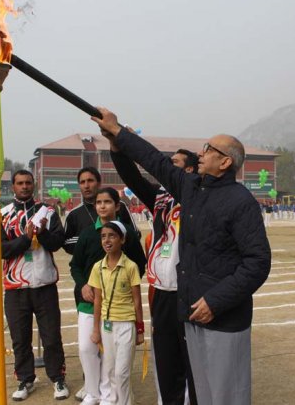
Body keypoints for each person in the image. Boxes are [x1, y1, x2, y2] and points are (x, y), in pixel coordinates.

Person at [92, 108, 271, 405]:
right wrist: (118, 134)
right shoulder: (191, 189)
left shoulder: (241, 202)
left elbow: (258, 262)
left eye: (209, 149)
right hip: (187, 309)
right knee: (198, 390)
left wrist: (216, 300)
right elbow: (154, 162)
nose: (202, 152)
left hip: (222, 316)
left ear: (225, 162)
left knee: (226, 393)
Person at [109, 138, 199, 405]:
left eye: (174, 164)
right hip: (161, 291)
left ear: (189, 171)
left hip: (189, 290)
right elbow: (132, 178)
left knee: (190, 357)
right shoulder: (160, 197)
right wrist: (116, 146)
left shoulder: (199, 196)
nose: (166, 168)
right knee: (165, 355)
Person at [70, 188, 146, 405]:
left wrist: (123, 287)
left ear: (117, 206)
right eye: (98, 202)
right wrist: (83, 285)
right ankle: (93, 392)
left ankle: (111, 396)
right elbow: (75, 265)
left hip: (119, 310)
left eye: (107, 202)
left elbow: (139, 265)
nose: (102, 206)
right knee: (87, 348)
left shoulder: (128, 234)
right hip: (89, 305)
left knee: (112, 359)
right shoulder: (86, 234)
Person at [1, 170, 69, 401]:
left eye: (28, 182)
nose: (24, 187)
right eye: (20, 183)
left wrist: (43, 233)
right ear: (12, 186)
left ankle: (58, 378)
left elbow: (58, 243)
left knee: (51, 337)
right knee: (20, 339)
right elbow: (1, 250)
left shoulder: (48, 212)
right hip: (14, 287)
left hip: (45, 284)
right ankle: (25, 379)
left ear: (34, 184)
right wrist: (25, 238)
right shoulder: (2, 214)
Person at [88, 221, 145, 405]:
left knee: (122, 372)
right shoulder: (97, 267)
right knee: (111, 370)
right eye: (103, 236)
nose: (107, 240)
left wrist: (140, 329)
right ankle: (119, 401)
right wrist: (96, 329)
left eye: (112, 236)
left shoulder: (130, 266)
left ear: (122, 239)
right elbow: (98, 300)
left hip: (126, 324)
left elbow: (137, 301)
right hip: (107, 325)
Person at [63, 166, 138, 256]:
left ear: (99, 183)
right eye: (82, 182)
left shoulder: (119, 205)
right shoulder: (74, 214)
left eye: (90, 181)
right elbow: (66, 243)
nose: (86, 186)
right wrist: (92, 242)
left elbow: (135, 234)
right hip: (89, 267)